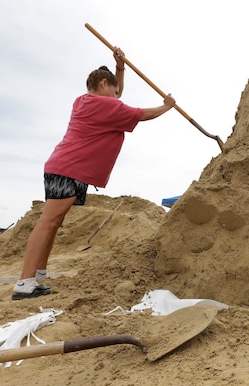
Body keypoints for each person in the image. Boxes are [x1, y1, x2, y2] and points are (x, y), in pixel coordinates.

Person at [12, 47, 176, 301]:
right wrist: (167, 106)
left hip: (67, 168)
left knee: (55, 223)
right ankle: (24, 283)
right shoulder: (101, 105)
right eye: (112, 88)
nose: (117, 94)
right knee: (48, 221)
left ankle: (39, 274)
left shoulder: (85, 100)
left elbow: (117, 94)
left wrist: (119, 69)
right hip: (67, 168)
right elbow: (143, 114)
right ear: (102, 83)